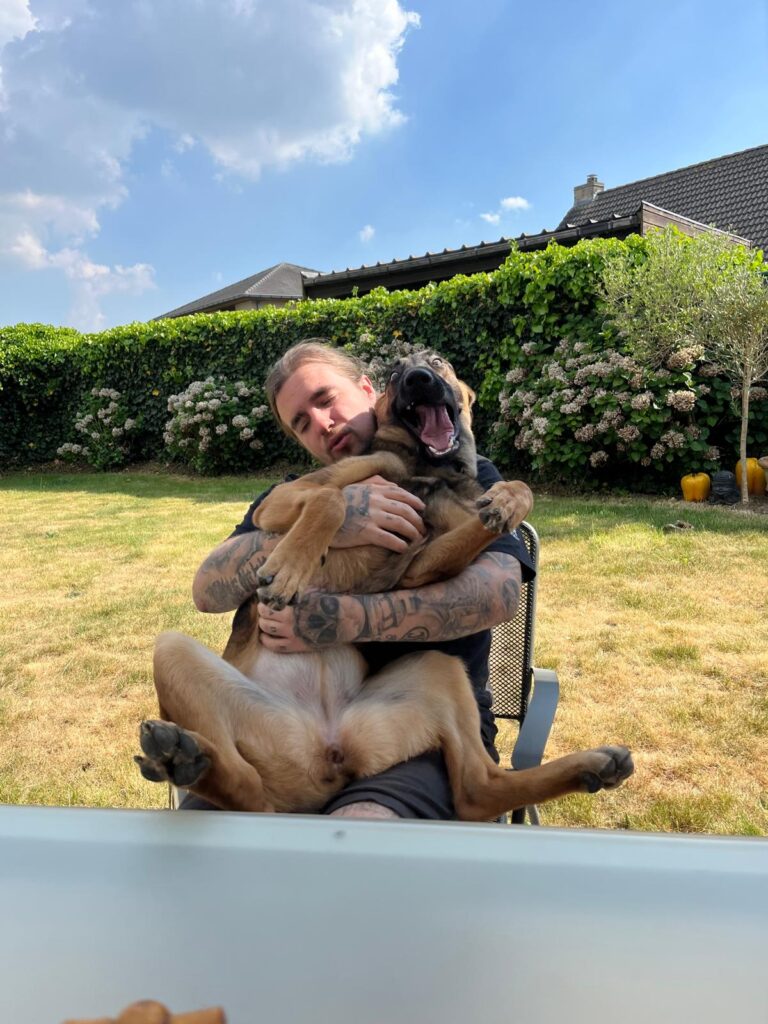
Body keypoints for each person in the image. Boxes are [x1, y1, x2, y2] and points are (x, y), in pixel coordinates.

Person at [190, 339, 535, 820]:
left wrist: (345, 619)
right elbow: (207, 591)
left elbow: (495, 596)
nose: (323, 425)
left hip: (422, 730)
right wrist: (332, 520)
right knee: (201, 837)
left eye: (326, 400)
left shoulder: (468, 480)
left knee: (361, 827)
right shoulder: (294, 494)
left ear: (370, 390)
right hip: (281, 723)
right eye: (302, 424)